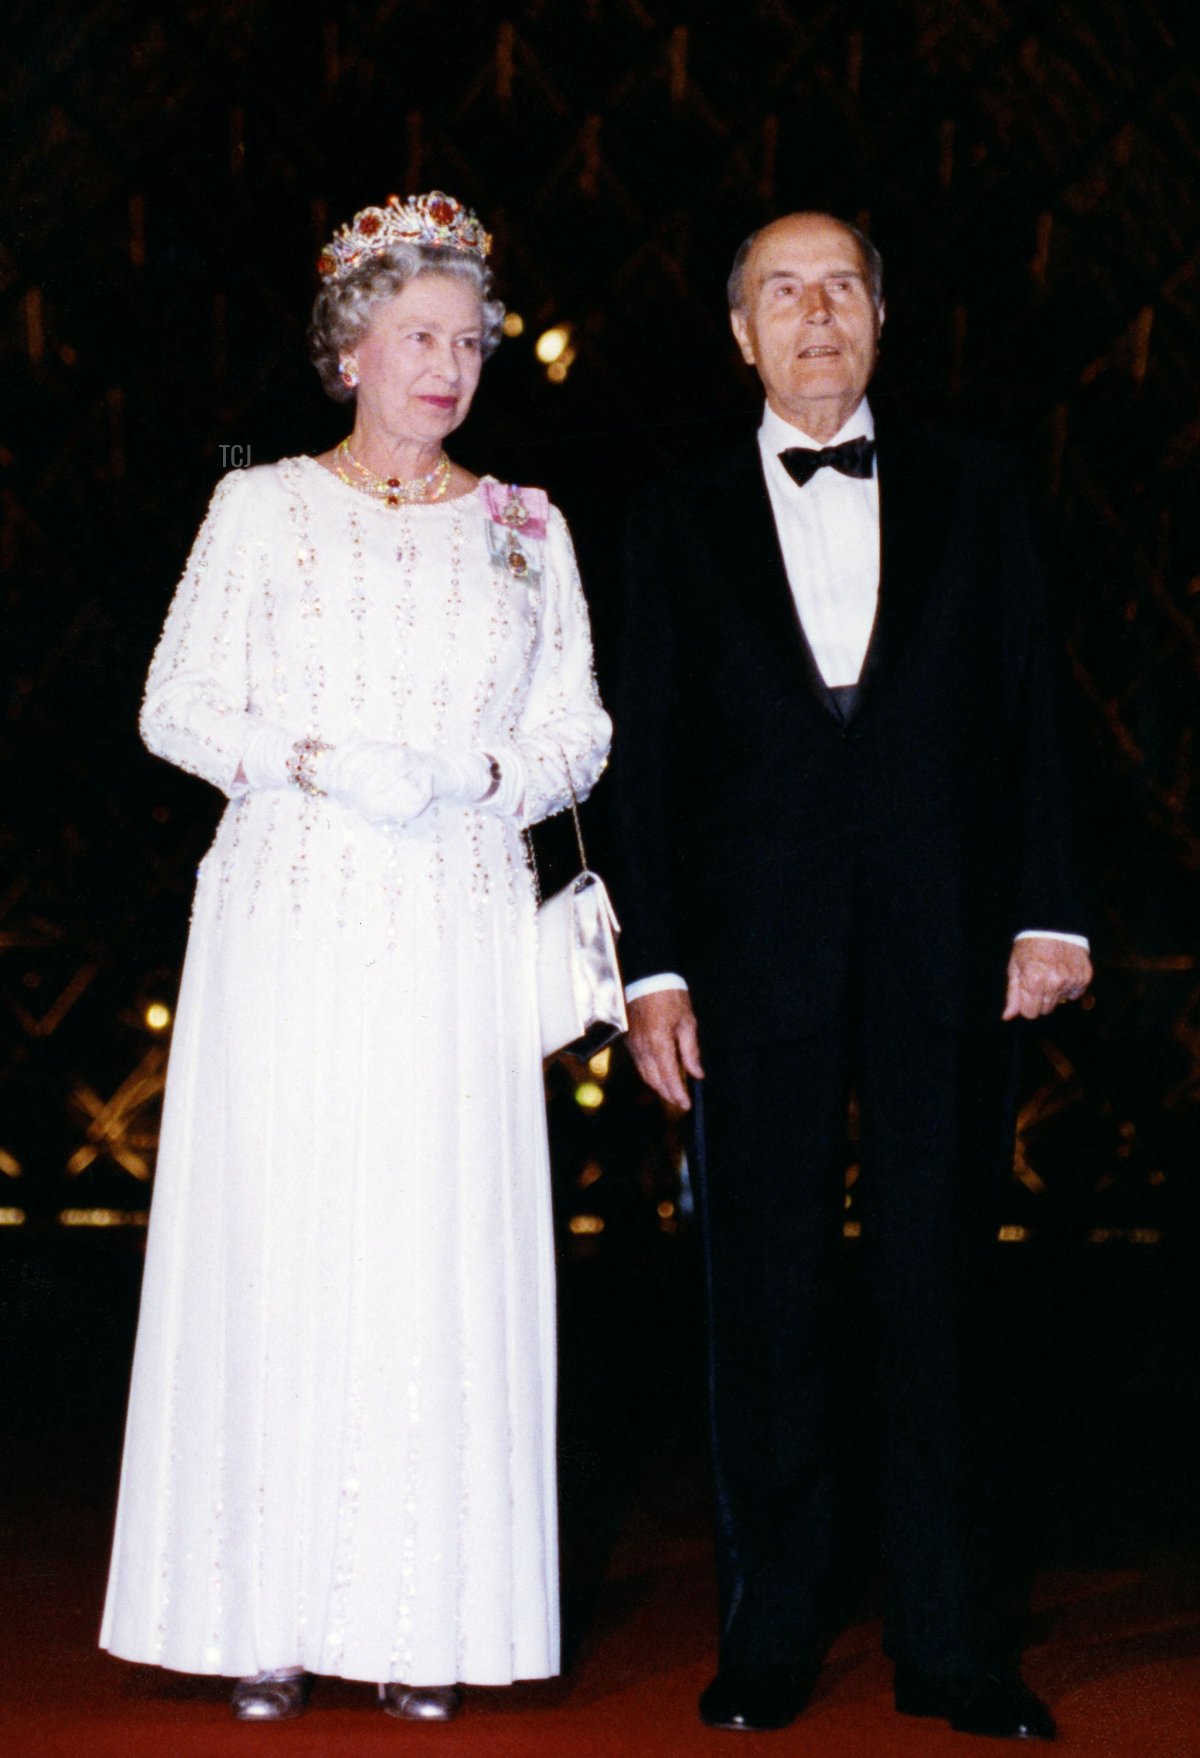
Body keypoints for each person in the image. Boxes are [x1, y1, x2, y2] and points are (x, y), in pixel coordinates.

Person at [101, 191, 611, 1723]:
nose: (447, 367)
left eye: (467, 340)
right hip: (295, 916)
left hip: (452, 916)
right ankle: (262, 1611)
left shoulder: (527, 523)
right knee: (290, 1242)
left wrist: (484, 782)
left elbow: (579, 725)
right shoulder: (260, 509)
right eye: (416, 337)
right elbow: (173, 706)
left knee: (428, 1259)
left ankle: (415, 1613)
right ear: (350, 348)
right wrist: (313, 757)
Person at [607, 211, 1092, 1738]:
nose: (815, 315)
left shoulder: (981, 489)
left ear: (881, 318)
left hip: (952, 939)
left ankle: (955, 1641)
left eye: (841, 289)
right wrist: (654, 962)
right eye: (781, 292)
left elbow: (1034, 708)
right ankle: (773, 1629)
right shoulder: (671, 517)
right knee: (764, 1298)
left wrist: (1053, 912)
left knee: (944, 1287)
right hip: (748, 959)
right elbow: (648, 761)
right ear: (739, 333)